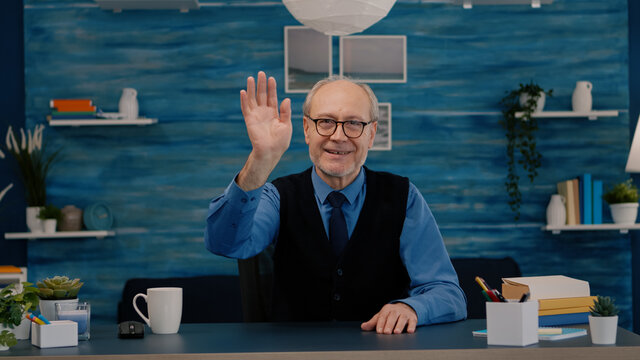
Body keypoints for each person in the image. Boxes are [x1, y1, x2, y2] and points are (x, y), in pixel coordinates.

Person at [205, 71, 466, 334]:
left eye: (353, 123)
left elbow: (449, 294)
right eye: (326, 121)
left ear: (371, 134)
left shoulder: (404, 197)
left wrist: (412, 308)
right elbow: (224, 244)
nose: (339, 136)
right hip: (294, 354)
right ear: (307, 129)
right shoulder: (277, 196)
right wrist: (260, 160)